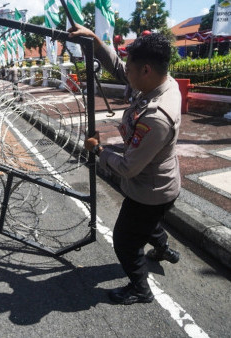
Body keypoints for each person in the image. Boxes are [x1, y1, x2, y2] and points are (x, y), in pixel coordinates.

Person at [69, 25, 181, 305]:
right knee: (147, 224)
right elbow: (119, 67)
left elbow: (129, 168)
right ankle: (164, 248)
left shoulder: (157, 115)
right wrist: (94, 41)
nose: (125, 75)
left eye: (130, 71)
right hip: (161, 185)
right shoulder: (161, 81)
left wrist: (99, 150)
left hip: (149, 191)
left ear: (145, 70)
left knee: (126, 241)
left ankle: (140, 289)